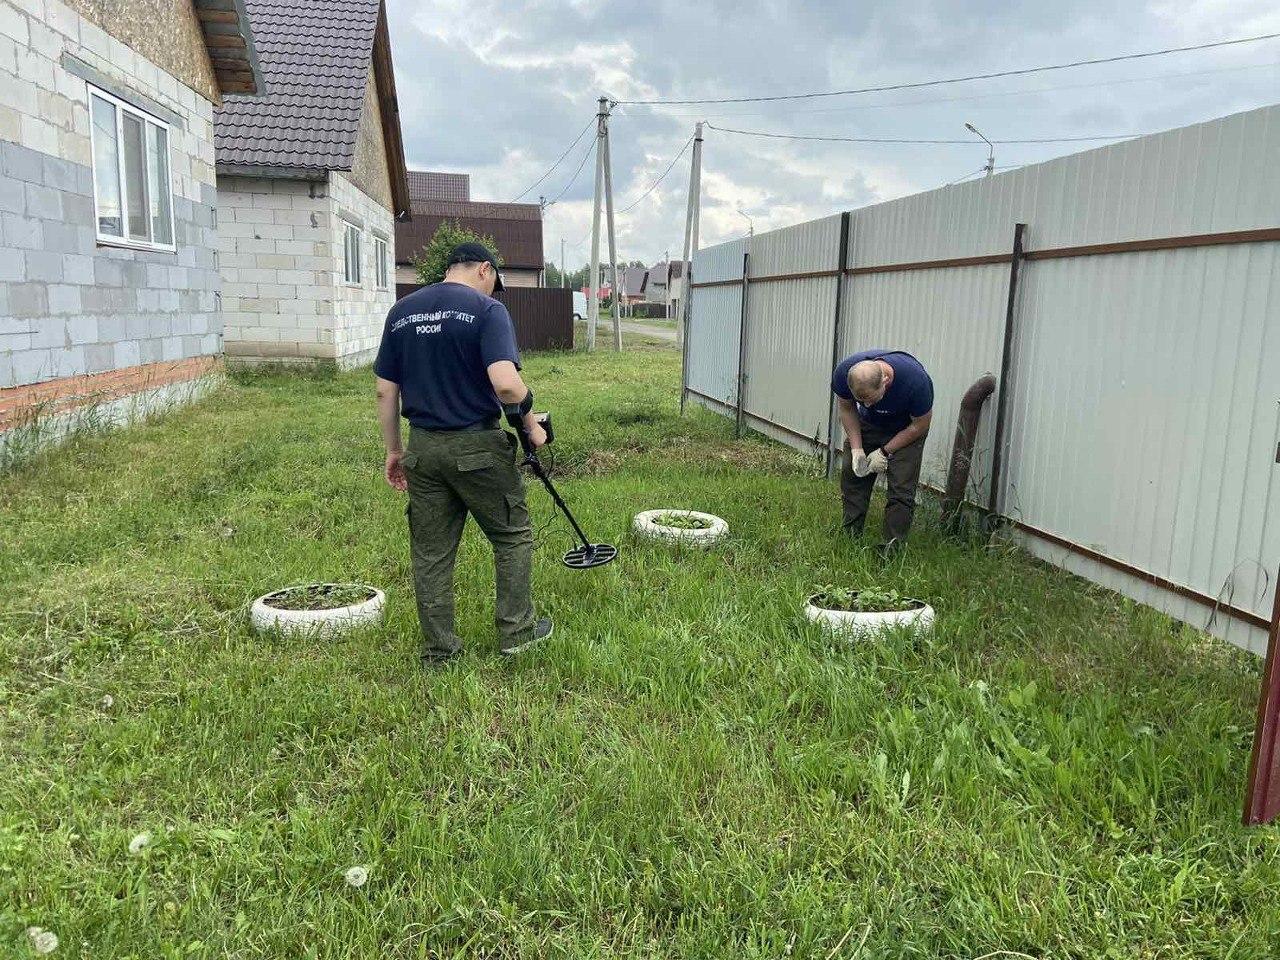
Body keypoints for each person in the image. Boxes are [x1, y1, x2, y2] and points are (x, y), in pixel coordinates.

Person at [374, 242, 552, 663]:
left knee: (431, 553)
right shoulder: (487, 311)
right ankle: (517, 634)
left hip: (423, 448)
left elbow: (385, 391)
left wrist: (394, 450)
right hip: (478, 447)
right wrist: (532, 427)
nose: (493, 293)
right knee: (511, 537)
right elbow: (506, 384)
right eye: (495, 285)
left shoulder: (402, 312)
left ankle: (440, 651)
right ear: (485, 271)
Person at [831, 350, 934, 552]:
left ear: (885, 381)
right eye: (862, 401)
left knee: (901, 490)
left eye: (871, 399)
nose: (867, 405)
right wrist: (857, 449)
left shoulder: (915, 382)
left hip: (907, 429)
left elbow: (919, 426)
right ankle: (850, 535)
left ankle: (891, 548)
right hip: (870, 424)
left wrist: (884, 452)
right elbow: (847, 408)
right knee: (853, 476)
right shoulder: (844, 373)